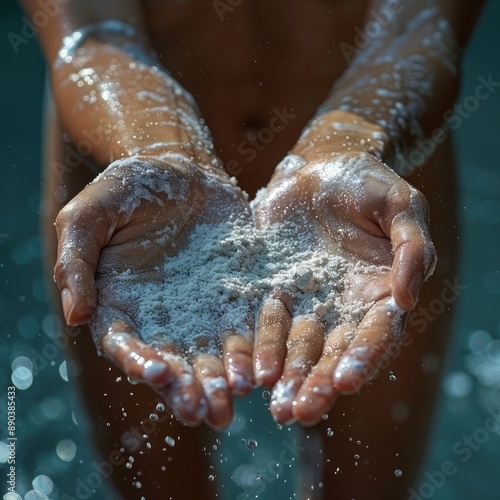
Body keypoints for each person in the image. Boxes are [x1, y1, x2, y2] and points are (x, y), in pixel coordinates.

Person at [21, 0, 485, 497]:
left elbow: (421, 22)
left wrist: (345, 141)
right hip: (130, 178)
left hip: (368, 184)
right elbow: (89, 30)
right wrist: (159, 151)